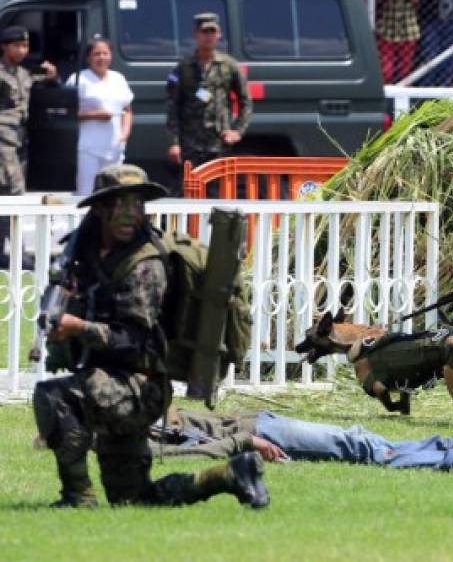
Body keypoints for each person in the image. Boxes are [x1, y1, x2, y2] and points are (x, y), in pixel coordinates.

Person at [32, 164, 269, 509]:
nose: (130, 213)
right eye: (121, 203)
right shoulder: (87, 251)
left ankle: (77, 498)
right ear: (100, 209)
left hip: (140, 385)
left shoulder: (146, 264)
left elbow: (133, 340)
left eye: (137, 204)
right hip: (113, 380)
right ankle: (231, 475)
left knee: (53, 396)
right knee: (134, 498)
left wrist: (77, 328)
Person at [149, 404, 453, 472]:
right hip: (255, 433)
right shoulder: (125, 435)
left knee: (362, 440)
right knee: (361, 447)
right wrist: (246, 444)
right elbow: (186, 451)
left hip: (254, 422)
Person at [166, 13, 252, 185]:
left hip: (219, 143)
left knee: (219, 193)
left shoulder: (229, 66)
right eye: (204, 32)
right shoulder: (183, 68)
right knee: (191, 192)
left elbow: (245, 101)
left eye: (212, 31)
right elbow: (172, 107)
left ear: (219, 34)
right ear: (196, 34)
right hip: (190, 144)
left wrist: (237, 131)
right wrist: (174, 143)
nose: (208, 36)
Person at [0, 25, 57, 263]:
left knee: (9, 193)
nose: (22, 50)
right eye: (17, 45)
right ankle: (17, 253)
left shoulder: (24, 73)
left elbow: (47, 85)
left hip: (20, 140)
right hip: (3, 139)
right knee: (13, 192)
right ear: (4, 46)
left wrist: (53, 76)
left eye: (25, 46)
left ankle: (11, 250)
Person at [68, 37, 133, 196]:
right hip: (88, 147)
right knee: (86, 191)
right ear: (88, 57)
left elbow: (127, 109)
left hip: (114, 147)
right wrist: (95, 115)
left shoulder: (118, 78)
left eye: (105, 53)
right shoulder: (79, 79)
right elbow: (67, 113)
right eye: (97, 54)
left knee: (112, 192)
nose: (101, 58)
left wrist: (124, 134)